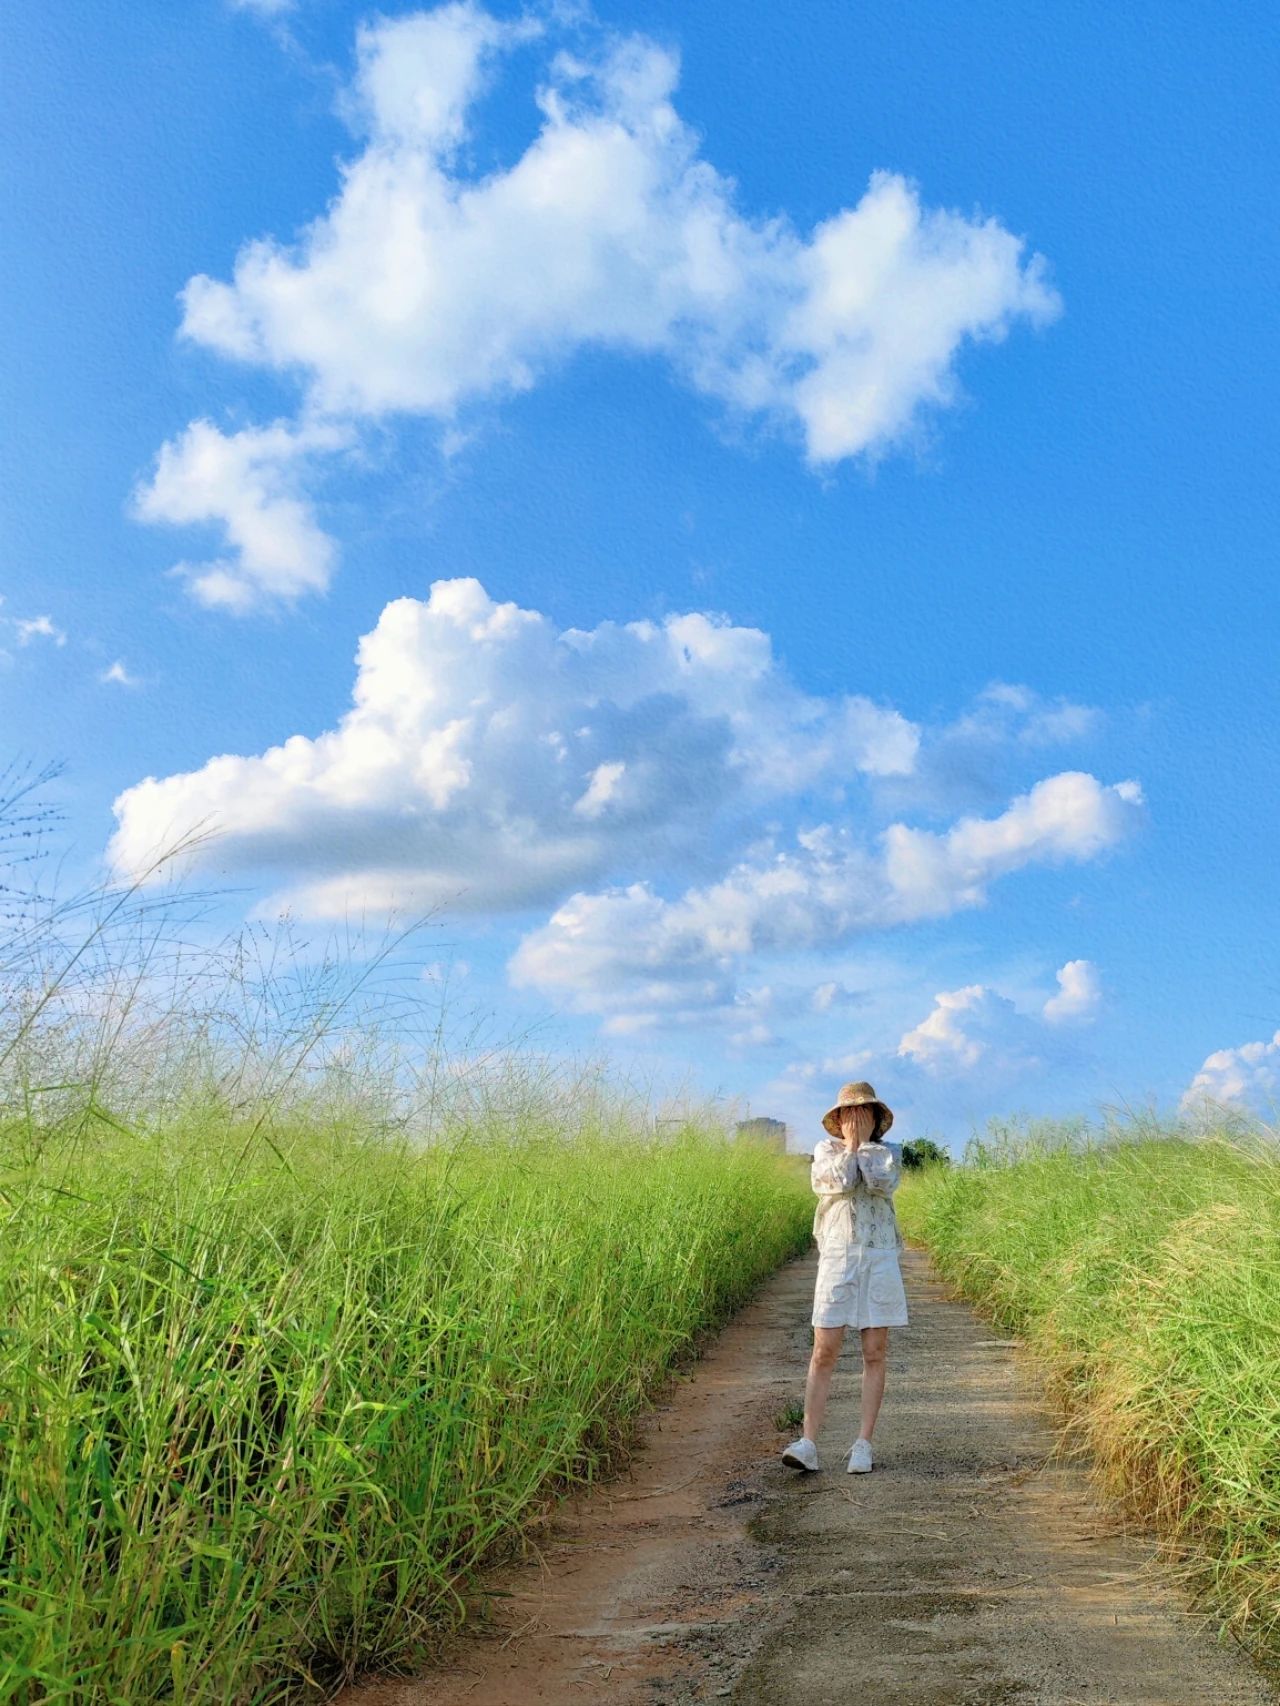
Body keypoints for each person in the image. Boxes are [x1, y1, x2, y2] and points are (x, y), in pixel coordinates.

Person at [781, 1080, 908, 1474]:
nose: (855, 1120)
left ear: (875, 1118)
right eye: (849, 1114)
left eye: (863, 1113)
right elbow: (834, 1183)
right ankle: (808, 1442)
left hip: (879, 1255)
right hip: (837, 1255)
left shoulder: (889, 1154)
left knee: (875, 1351)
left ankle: (863, 1443)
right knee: (824, 1349)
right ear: (838, 1120)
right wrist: (850, 1147)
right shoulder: (825, 1152)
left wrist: (864, 1147)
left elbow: (879, 1183)